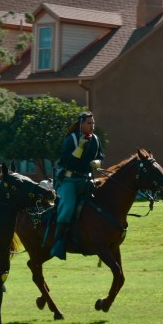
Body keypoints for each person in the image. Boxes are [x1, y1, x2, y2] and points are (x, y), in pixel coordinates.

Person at [50, 111, 104, 260]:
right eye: (89, 123)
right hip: (69, 181)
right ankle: (58, 242)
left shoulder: (96, 140)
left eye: (93, 123)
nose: (92, 125)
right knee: (67, 208)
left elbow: (101, 156)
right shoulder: (71, 139)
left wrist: (97, 162)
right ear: (81, 124)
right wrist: (80, 147)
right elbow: (69, 162)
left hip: (87, 180)